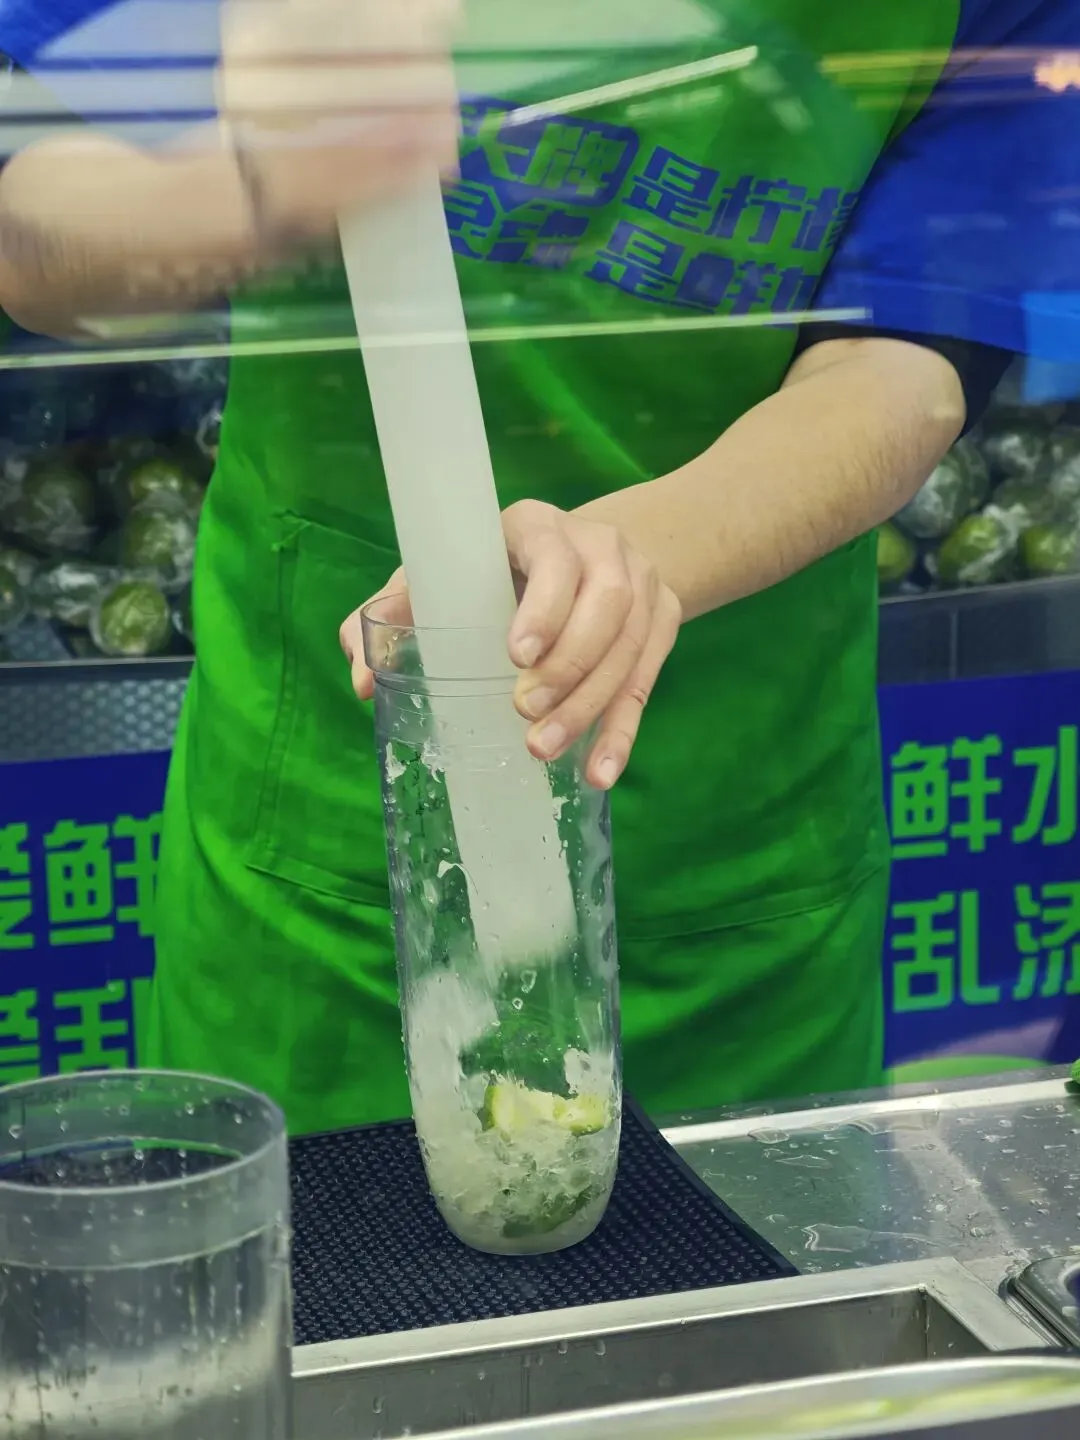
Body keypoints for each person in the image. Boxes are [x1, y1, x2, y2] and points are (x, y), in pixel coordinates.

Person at [0, 0, 1074, 1134]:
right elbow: (35, 236)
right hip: (323, 831)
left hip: (738, 852)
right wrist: (243, 189)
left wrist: (640, 555)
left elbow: (908, 363)